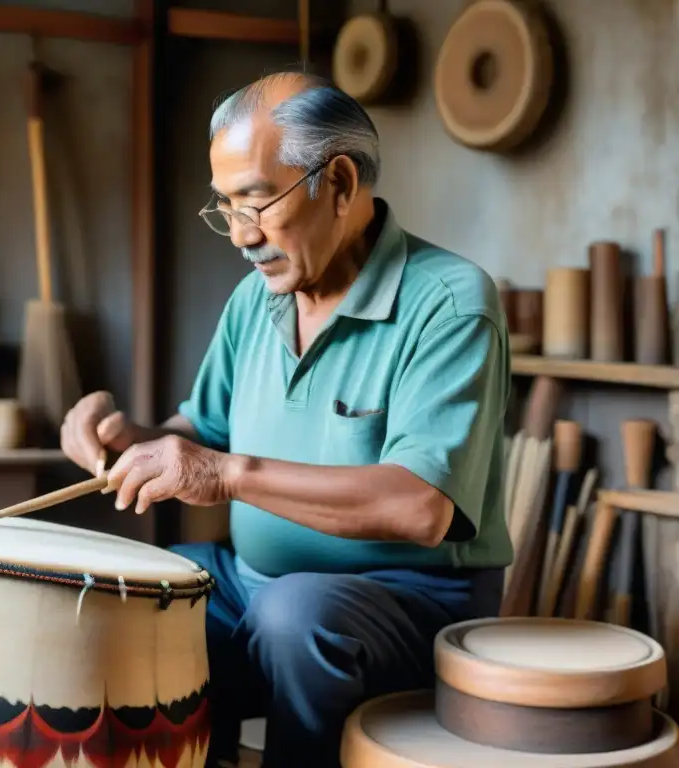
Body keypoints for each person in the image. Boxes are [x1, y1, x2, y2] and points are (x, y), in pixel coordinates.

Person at [59, 71, 512, 767]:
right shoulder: (254, 301)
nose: (241, 236)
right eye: (225, 208)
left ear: (338, 183)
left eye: (258, 203)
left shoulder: (449, 303)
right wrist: (123, 436)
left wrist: (226, 474)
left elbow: (422, 506)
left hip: (409, 601)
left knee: (295, 619)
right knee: (133, 595)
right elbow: (200, 438)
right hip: (252, 581)